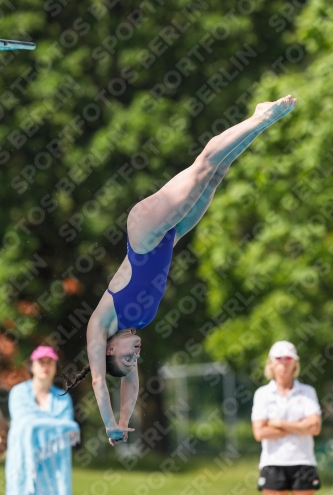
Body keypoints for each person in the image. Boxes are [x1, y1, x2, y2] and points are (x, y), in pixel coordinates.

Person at [63, 95, 297, 446]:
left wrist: (110, 422)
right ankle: (262, 122)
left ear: (109, 351)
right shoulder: (134, 326)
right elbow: (131, 382)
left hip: (143, 232)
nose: (135, 355)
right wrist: (127, 420)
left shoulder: (102, 325)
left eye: (128, 356)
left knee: (202, 166)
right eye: (135, 359)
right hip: (169, 236)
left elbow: (100, 381)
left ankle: (259, 116)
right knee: (216, 174)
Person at [5, 346, 80, 495]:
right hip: (22, 464)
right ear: (32, 366)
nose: (45, 366)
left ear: (54, 367)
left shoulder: (63, 398)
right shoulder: (18, 393)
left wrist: (38, 424)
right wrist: (60, 426)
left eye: (49, 362)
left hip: (54, 466)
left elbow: (68, 430)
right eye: (41, 362)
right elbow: (25, 423)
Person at [252, 341, 322, 494]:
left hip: (304, 460)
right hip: (273, 462)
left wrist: (278, 423)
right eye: (279, 358)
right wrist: (300, 427)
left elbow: (315, 428)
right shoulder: (262, 394)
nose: (283, 363)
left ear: (295, 363)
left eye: (288, 359)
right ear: (271, 363)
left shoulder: (307, 392)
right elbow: (260, 433)